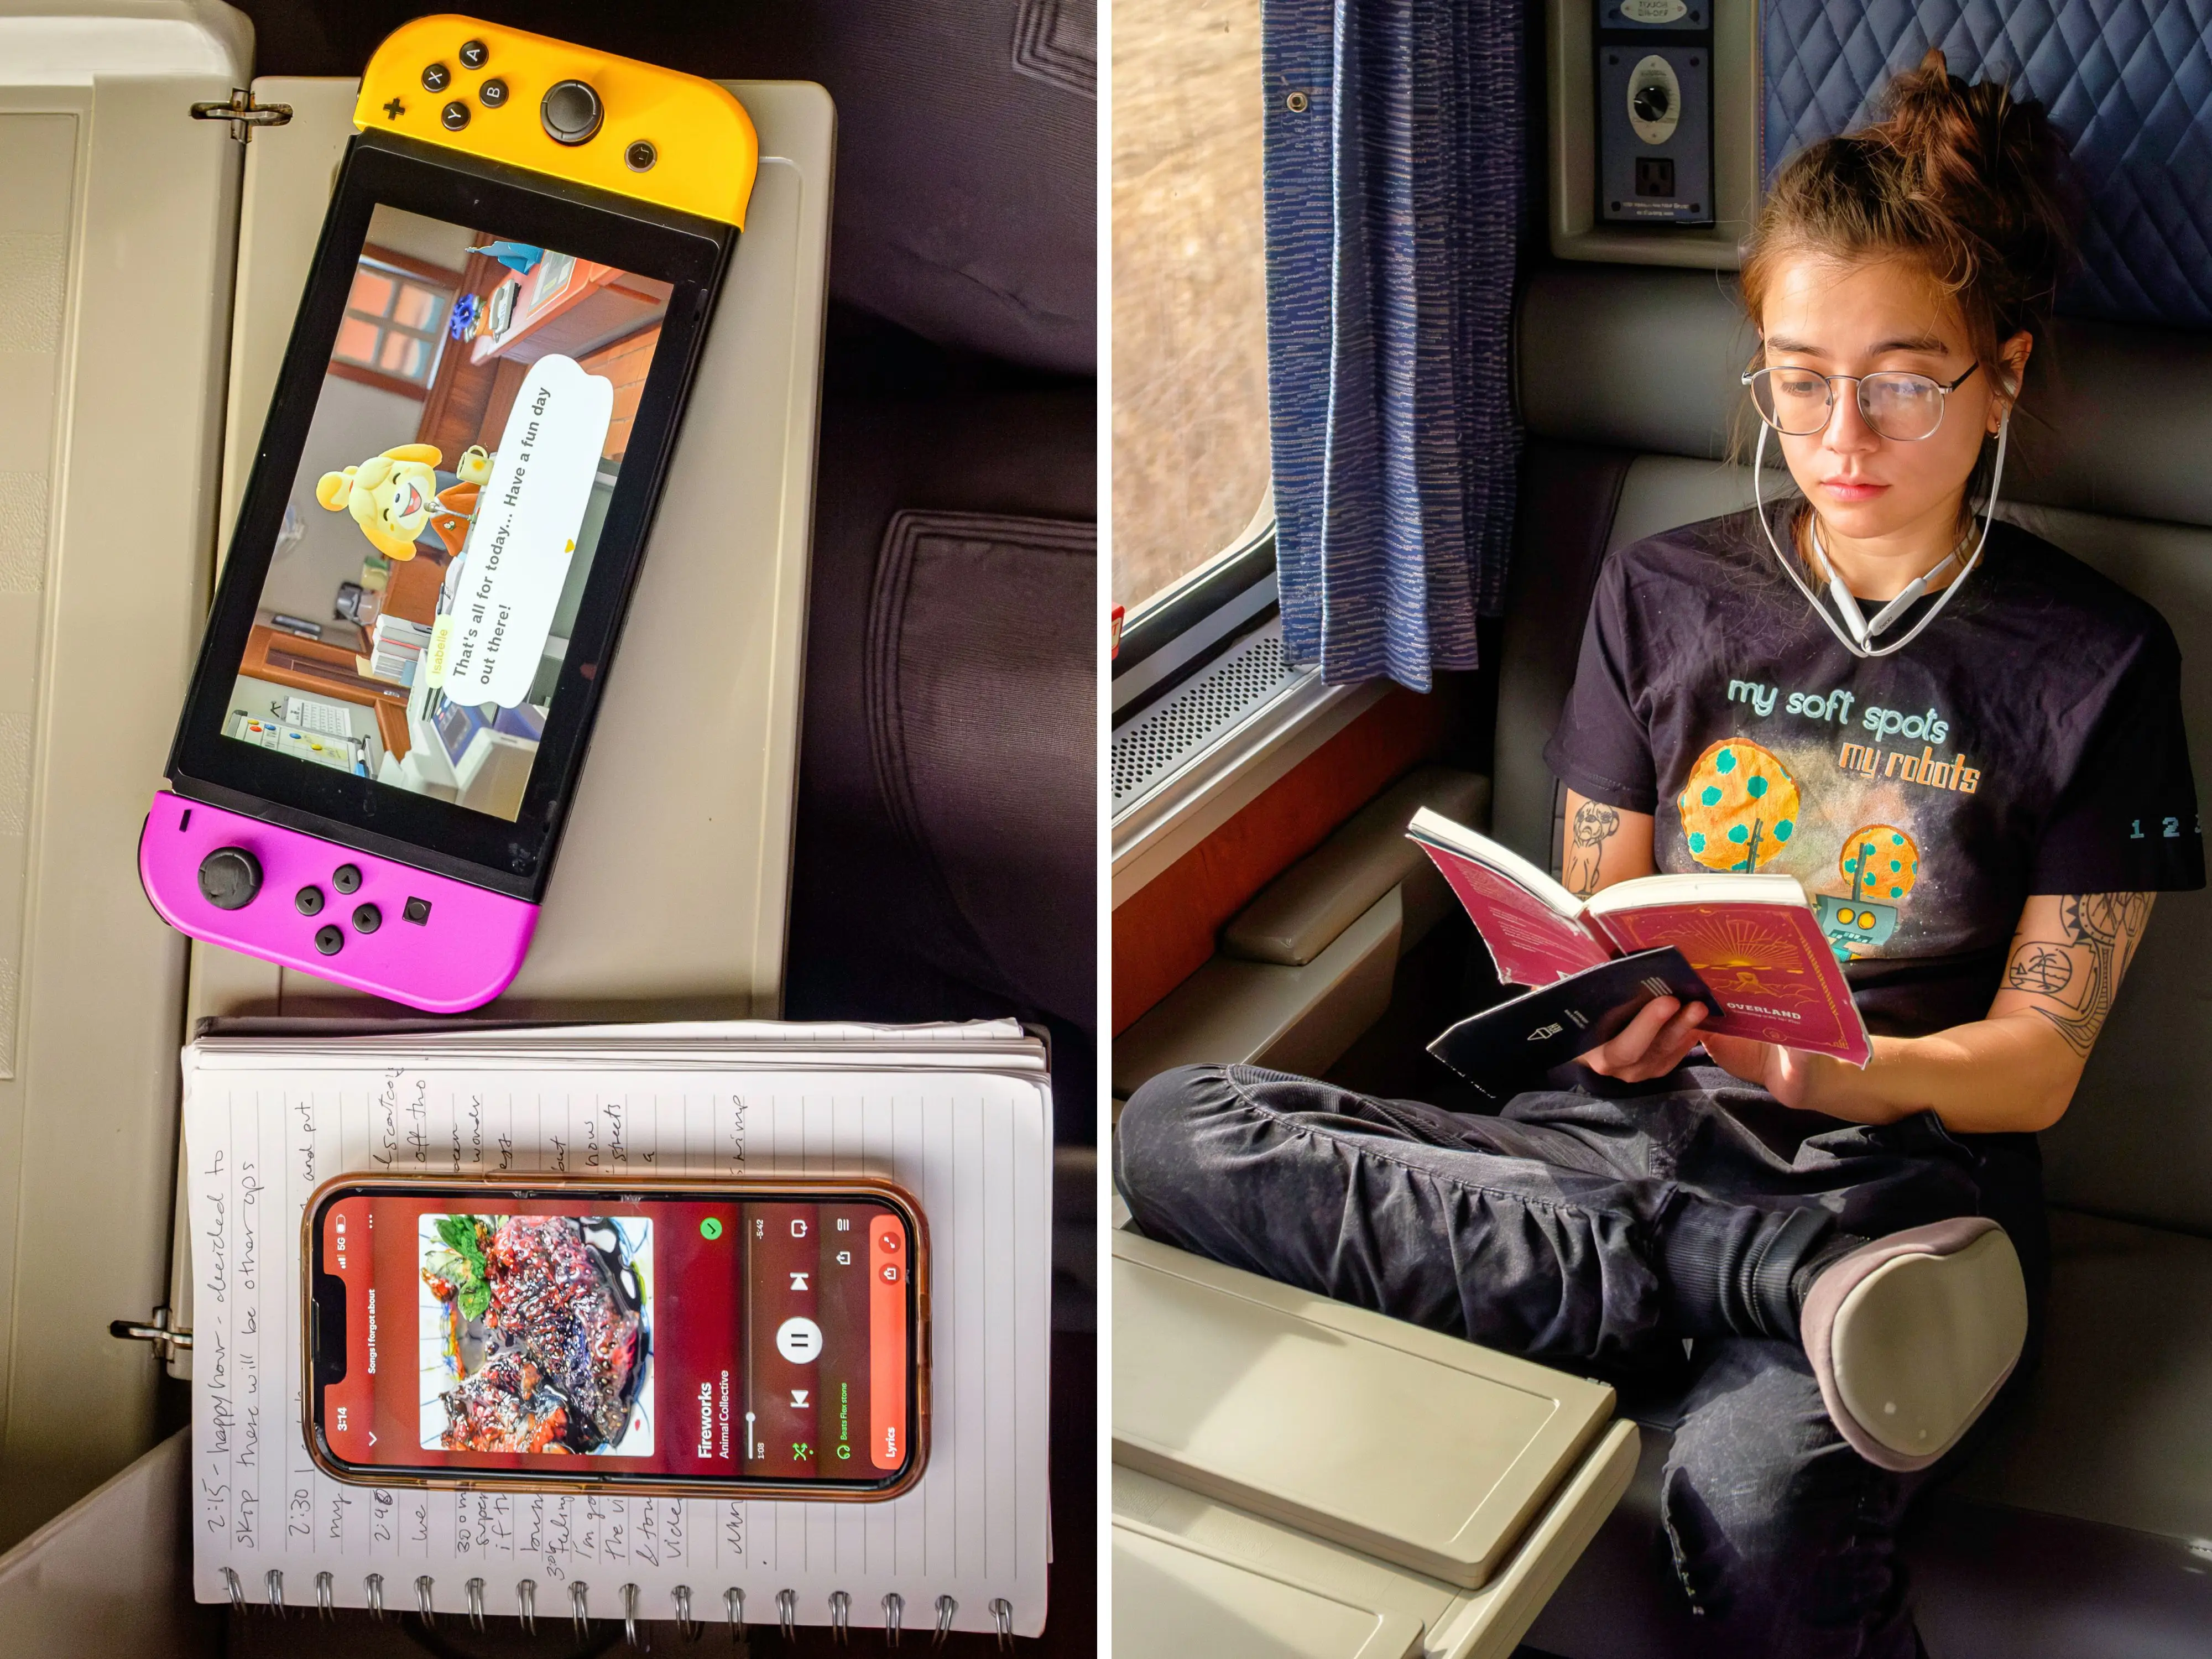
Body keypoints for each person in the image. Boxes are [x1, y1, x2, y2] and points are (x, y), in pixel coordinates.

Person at [1114, 50, 2202, 1659]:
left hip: (1887, 1195)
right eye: (1799, 376)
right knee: (1175, 1127)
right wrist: (1595, 1010)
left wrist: (1850, 1081)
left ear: (2003, 377)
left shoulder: (2097, 658)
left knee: (1751, 1512)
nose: (1846, 433)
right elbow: (1600, 918)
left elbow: (2037, 1065)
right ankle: (1714, 1275)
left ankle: (1715, 1290)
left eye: (1905, 378)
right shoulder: (1665, 590)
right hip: (1616, 1150)